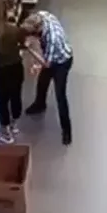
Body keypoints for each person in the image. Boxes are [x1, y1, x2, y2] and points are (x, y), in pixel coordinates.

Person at [21, 10, 74, 145]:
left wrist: (30, 51)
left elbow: (46, 64)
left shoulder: (52, 39)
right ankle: (39, 104)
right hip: (52, 57)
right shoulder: (42, 16)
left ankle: (67, 131)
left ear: (38, 31)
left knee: (60, 95)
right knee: (42, 83)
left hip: (62, 61)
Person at [0, 0, 26, 144]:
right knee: (16, 95)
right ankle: (15, 124)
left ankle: (6, 131)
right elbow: (23, 44)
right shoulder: (15, 29)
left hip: (1, 70)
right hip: (16, 66)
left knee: (2, 100)